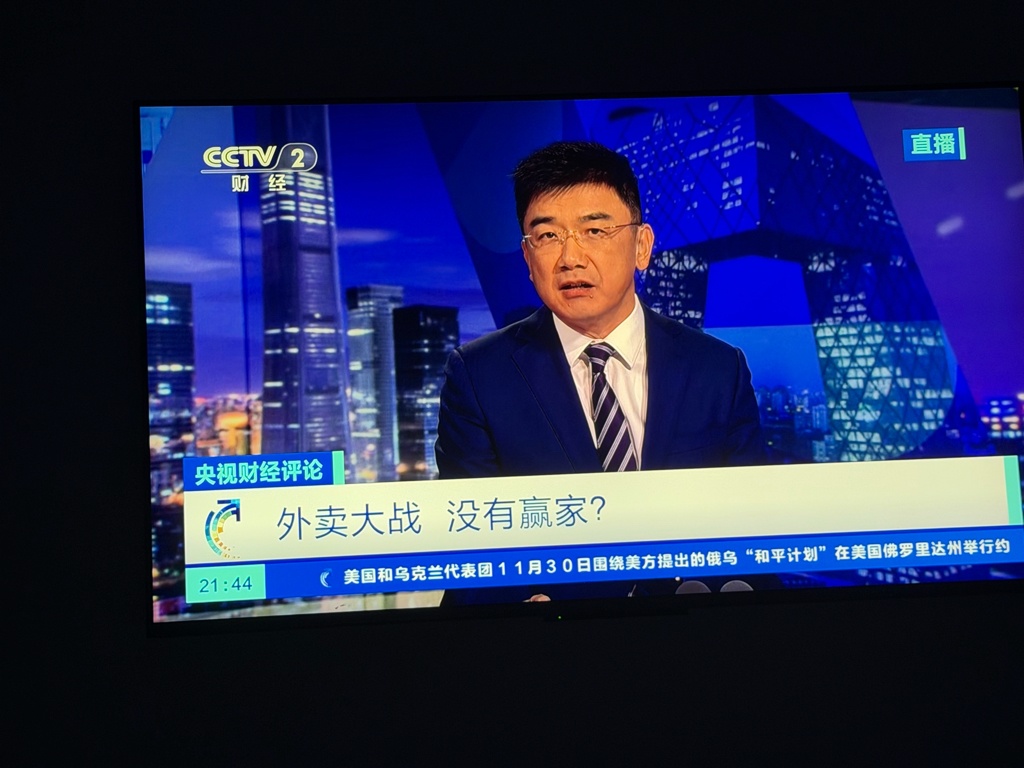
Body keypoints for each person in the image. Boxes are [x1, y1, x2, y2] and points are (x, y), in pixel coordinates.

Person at [435, 141, 767, 604]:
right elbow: (470, 546)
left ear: (642, 246)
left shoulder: (717, 368)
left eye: (594, 230)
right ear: (528, 259)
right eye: (547, 236)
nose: (570, 257)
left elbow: (756, 532)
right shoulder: (479, 376)